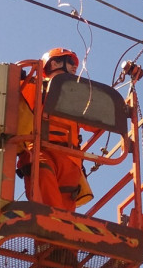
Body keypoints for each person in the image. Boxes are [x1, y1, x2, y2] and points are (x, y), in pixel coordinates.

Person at [18, 47, 90, 212]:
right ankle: (48, 235)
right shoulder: (37, 86)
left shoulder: (76, 95)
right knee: (47, 210)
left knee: (66, 214)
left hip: (71, 160)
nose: (75, 67)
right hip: (42, 151)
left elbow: (94, 122)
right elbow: (12, 96)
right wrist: (18, 78)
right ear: (55, 63)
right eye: (70, 61)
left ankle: (60, 236)